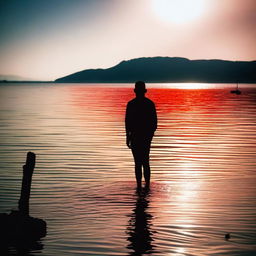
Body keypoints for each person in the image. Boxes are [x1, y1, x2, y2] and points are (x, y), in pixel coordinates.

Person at [125, 81, 157, 188]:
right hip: (143, 137)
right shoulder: (149, 104)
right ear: (145, 91)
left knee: (139, 162)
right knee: (144, 162)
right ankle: (145, 186)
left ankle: (140, 186)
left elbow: (127, 122)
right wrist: (150, 136)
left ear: (135, 91)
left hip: (137, 136)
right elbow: (154, 124)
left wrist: (128, 137)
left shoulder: (131, 104)